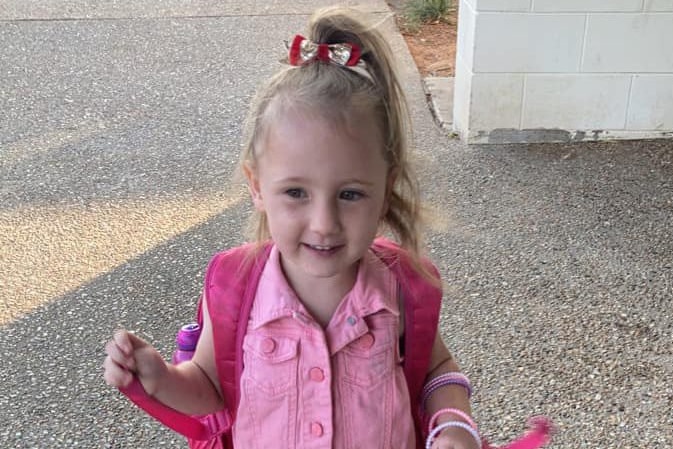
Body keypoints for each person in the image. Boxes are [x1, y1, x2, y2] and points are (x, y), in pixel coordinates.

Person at [104, 6, 478, 449]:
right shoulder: (238, 290)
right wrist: (160, 376)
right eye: (296, 193)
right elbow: (208, 386)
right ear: (257, 187)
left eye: (351, 194)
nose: (324, 224)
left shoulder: (400, 289)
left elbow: (439, 370)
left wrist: (455, 426)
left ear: (386, 188)